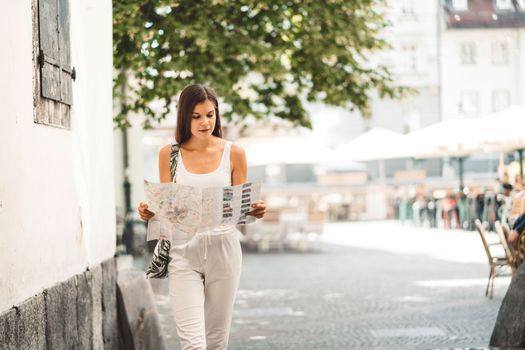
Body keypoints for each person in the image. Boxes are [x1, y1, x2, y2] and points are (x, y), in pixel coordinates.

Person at [137, 84, 266, 349]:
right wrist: (149, 212)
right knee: (193, 344)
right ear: (184, 117)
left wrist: (253, 209)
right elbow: (168, 208)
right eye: (196, 116)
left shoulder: (234, 153)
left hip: (224, 248)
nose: (205, 122)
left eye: (210, 114)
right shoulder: (169, 155)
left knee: (217, 342)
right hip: (183, 251)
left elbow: (239, 207)